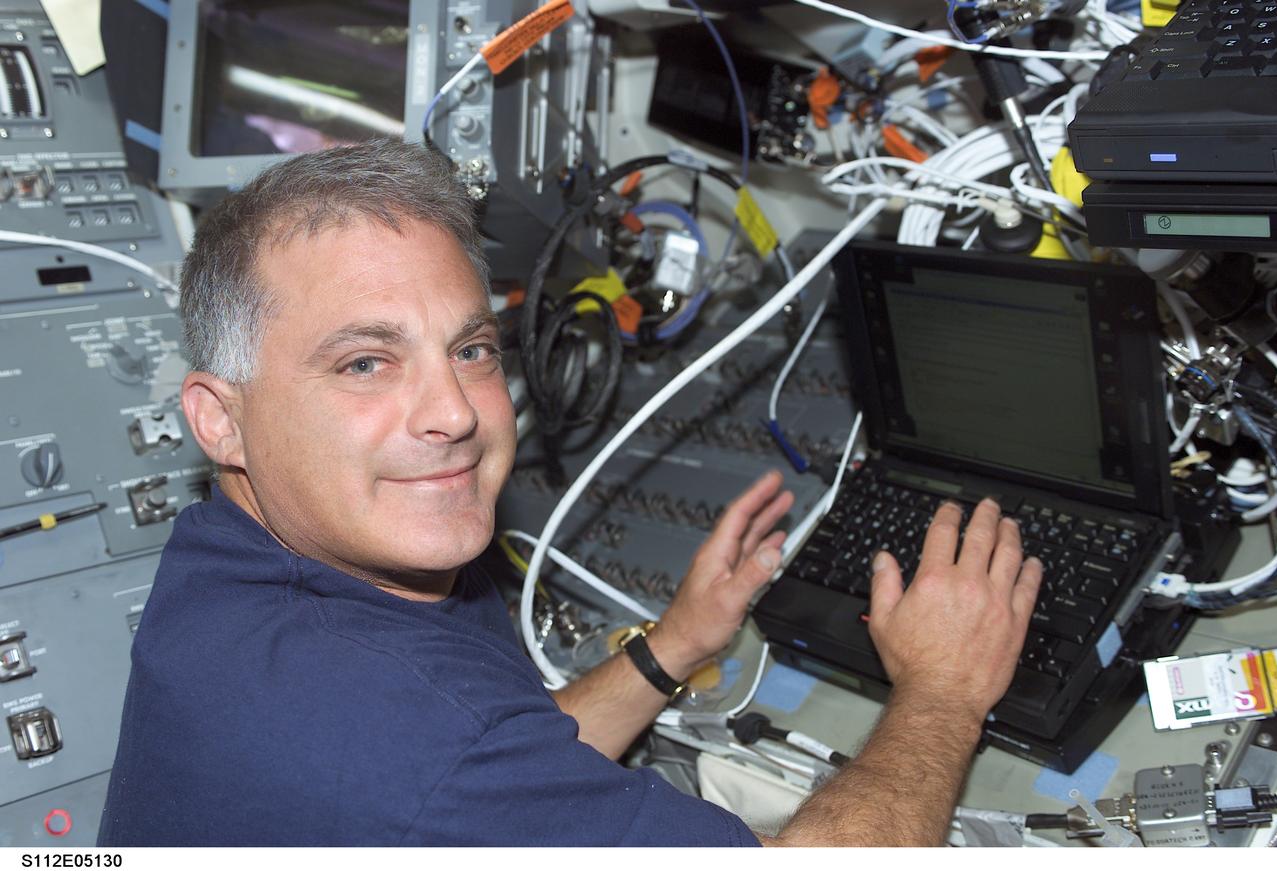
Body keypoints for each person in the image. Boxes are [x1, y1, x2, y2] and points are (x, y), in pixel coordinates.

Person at [98, 139, 1041, 847]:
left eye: (470, 350)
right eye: (364, 362)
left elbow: (516, 756)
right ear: (217, 419)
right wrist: (945, 691)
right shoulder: (394, 734)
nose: (455, 414)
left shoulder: (244, 566)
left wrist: (672, 645)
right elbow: (446, 760)